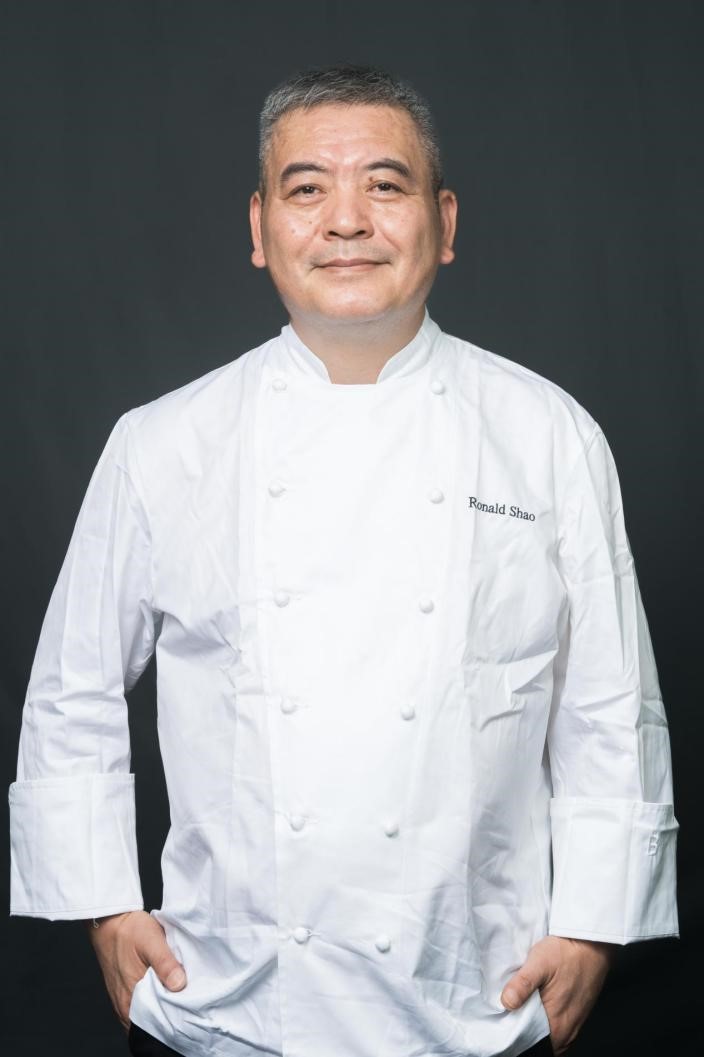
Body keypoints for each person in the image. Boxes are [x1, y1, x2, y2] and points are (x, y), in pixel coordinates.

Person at [8, 63, 679, 1057]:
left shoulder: (546, 435)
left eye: (386, 184)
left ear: (443, 223)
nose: (347, 220)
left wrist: (592, 922)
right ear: (259, 228)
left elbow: (607, 701)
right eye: (307, 188)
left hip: (479, 997)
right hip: (226, 1001)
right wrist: (102, 902)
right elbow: (73, 691)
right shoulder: (162, 443)